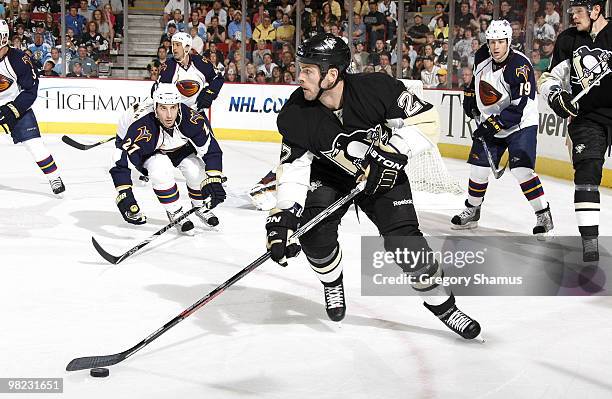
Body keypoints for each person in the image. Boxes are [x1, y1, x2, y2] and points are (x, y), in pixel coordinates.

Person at [266, 33, 481, 340]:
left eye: (308, 70)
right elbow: (294, 169)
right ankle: (332, 282)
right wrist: (284, 215)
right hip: (329, 177)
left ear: (331, 74)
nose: (300, 77)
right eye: (301, 69)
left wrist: (392, 152)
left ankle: (444, 306)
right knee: (314, 237)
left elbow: (428, 118)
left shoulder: (376, 88)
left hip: (384, 173)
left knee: (406, 243)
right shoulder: (296, 113)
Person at [455, 20, 553, 238]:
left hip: (520, 124)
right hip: (492, 121)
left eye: (500, 41)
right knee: (478, 169)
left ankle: (543, 214)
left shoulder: (520, 66)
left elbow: (521, 106)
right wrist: (470, 95)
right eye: (492, 42)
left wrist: (492, 125)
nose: (496, 46)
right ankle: (473, 209)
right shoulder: (482, 55)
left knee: (522, 171)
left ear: (509, 41)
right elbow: (476, 80)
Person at [537, 0, 612, 261]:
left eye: (578, 12)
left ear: (596, 10)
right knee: (587, 171)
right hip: (586, 117)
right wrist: (556, 97)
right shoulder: (568, 39)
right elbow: (548, 79)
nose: (573, 17)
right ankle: (590, 241)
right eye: (571, 12)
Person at [109, 84, 224, 232]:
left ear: (179, 106)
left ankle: (200, 205)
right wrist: (124, 193)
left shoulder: (192, 119)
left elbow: (212, 150)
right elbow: (120, 158)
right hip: (149, 149)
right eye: (163, 108)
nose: (169, 115)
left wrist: (214, 179)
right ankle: (174, 211)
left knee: (195, 169)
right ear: (155, 107)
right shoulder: (142, 128)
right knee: (160, 169)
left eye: (173, 108)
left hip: (177, 147)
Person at [0, 19, 65, 195]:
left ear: (3, 38)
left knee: (35, 145)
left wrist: (13, 109)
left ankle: (54, 177)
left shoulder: (19, 60)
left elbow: (30, 90)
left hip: (15, 105)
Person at [158, 32, 224, 113]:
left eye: (178, 45)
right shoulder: (168, 67)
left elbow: (218, 78)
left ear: (187, 47)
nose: (174, 48)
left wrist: (209, 94)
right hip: (175, 115)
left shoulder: (200, 62)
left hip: (197, 113)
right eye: (173, 45)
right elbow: (158, 90)